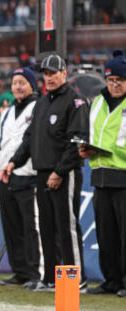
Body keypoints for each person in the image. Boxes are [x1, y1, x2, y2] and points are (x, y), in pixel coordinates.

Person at [1, 54, 88, 291]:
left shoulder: (76, 101)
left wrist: (60, 171)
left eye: (53, 73)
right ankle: (50, 278)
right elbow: (30, 139)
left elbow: (78, 142)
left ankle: (76, 279)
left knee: (66, 226)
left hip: (64, 173)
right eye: (45, 74)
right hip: (41, 173)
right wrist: (13, 162)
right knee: (47, 227)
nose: (48, 78)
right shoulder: (42, 103)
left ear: (64, 72)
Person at [79, 51, 126, 297]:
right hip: (99, 176)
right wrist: (86, 148)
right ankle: (111, 280)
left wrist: (108, 151)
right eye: (110, 79)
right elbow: (93, 133)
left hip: (123, 175)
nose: (114, 84)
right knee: (106, 234)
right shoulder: (97, 102)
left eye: (120, 79)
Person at [0, 67, 42, 287]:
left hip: (28, 174)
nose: (17, 86)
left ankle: (36, 272)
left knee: (31, 227)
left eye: (22, 82)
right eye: (15, 82)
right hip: (4, 177)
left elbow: (29, 143)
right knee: (12, 227)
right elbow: (1, 144)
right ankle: (20, 271)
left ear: (32, 85)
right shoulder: (6, 112)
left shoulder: (38, 106)